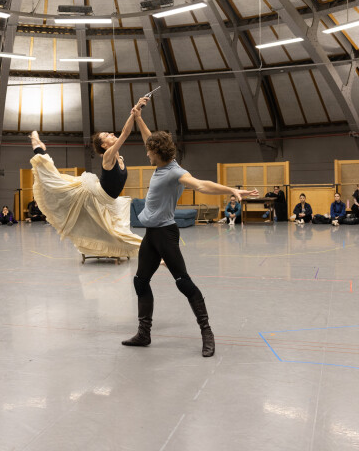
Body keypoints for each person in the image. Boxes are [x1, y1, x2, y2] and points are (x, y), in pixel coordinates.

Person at [121, 104, 257, 357]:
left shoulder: (176, 173)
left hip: (166, 234)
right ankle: (144, 333)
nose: (146, 154)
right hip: (151, 235)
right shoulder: (162, 164)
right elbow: (149, 138)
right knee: (140, 281)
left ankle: (207, 333)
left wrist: (231, 190)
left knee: (183, 282)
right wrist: (138, 118)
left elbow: (201, 185)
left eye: (149, 151)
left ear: (156, 152)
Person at [28, 98, 149, 259]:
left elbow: (124, 133)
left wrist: (135, 114)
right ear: (105, 146)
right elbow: (125, 133)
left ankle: (39, 148)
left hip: (108, 201)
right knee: (54, 181)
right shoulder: (108, 156)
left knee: (116, 232)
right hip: (93, 197)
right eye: (107, 135)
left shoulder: (119, 157)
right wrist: (135, 111)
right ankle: (38, 148)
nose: (112, 134)